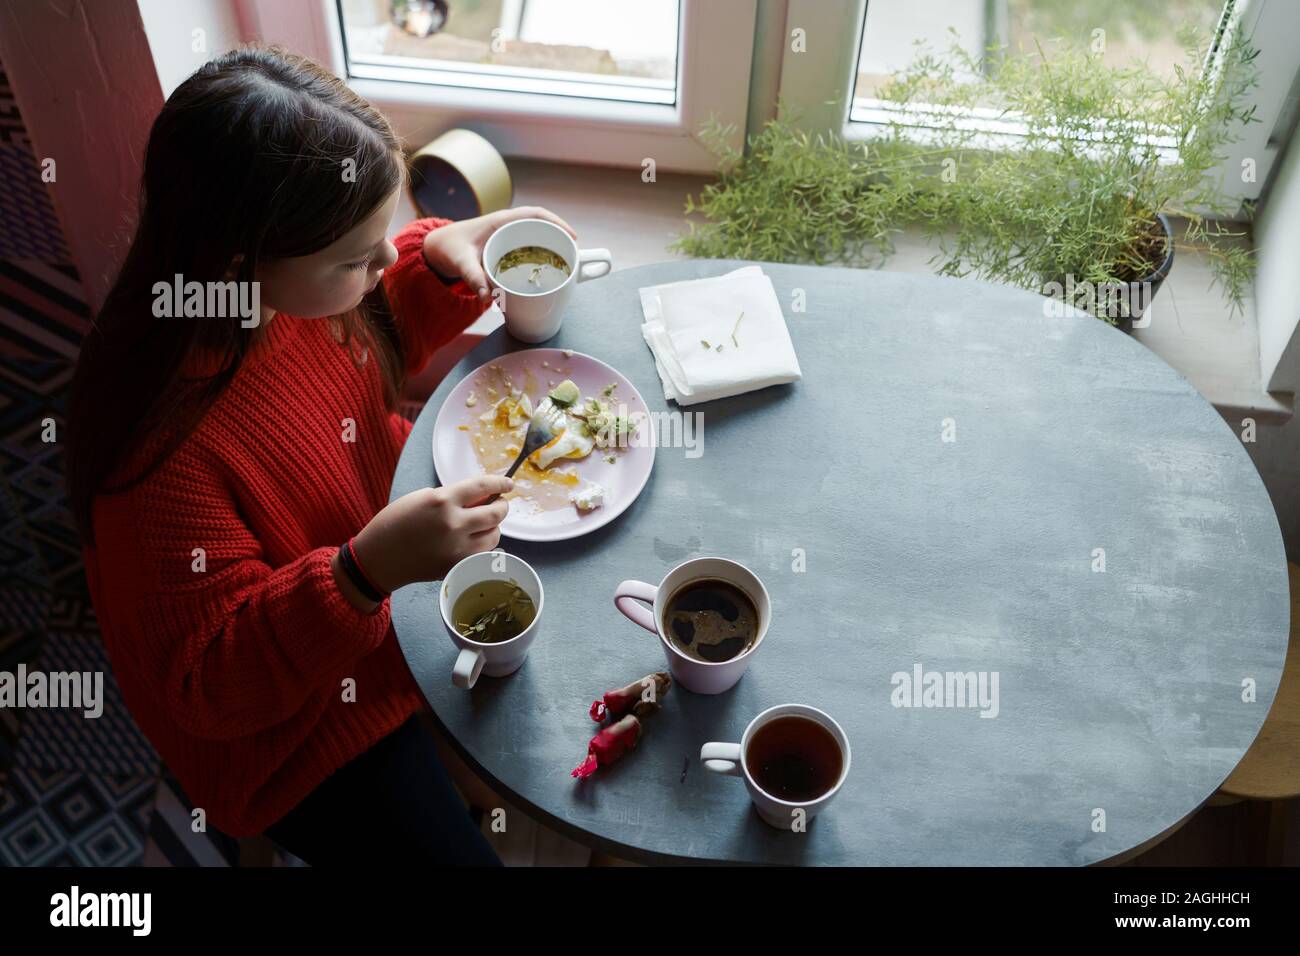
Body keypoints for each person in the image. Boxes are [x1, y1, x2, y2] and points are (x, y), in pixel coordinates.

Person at [66, 46, 573, 865]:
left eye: (386, 233)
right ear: (241, 265)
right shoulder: (158, 462)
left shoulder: (287, 289)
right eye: (357, 256)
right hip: (295, 728)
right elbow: (209, 686)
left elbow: (357, 349)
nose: (383, 264)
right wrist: (361, 574)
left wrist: (434, 266)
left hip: (386, 567)